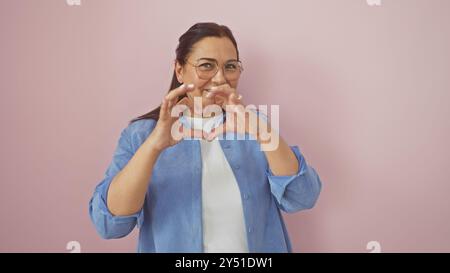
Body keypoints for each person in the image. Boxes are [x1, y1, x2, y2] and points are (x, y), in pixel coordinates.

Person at [89, 22, 322, 253]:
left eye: (230, 66)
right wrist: (153, 146)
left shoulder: (255, 125)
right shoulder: (141, 135)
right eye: (206, 66)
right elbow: (109, 224)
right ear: (179, 70)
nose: (220, 78)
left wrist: (263, 133)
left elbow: (303, 197)